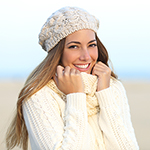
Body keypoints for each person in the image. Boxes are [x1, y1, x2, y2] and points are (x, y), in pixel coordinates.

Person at [6, 6, 139, 150]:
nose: (86, 56)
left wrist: (105, 94)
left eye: (91, 45)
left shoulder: (111, 87)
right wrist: (75, 96)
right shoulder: (38, 95)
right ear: (57, 52)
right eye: (74, 47)